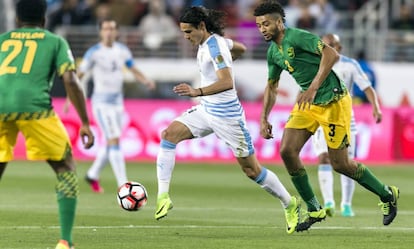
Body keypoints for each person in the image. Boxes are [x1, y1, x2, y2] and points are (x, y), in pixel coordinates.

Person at [253, 0, 399, 232]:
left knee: (340, 164)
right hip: (308, 105)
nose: (262, 29)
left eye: (266, 24)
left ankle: (386, 194)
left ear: (280, 22)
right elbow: (271, 86)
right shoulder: (273, 52)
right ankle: (314, 208)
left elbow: (330, 55)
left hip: (334, 101)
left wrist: (312, 86)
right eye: (259, 25)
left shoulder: (297, 37)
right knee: (287, 151)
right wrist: (263, 118)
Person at [154, 6, 300, 234]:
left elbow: (226, 82)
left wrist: (196, 91)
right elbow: (239, 47)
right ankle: (163, 196)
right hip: (207, 111)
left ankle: (289, 203)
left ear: (202, 26)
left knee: (252, 171)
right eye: (183, 32)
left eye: (189, 32)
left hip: (228, 117)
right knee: (169, 135)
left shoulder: (214, 47)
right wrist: (229, 60)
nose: (186, 37)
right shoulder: (214, 42)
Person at [0, 0, 95, 248]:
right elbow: (71, 81)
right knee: (65, 167)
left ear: (17, 20)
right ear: (44, 19)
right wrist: (84, 121)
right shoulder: (54, 41)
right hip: (35, 109)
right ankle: (66, 242)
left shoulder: (2, 40)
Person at [64, 19, 155, 193]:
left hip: (118, 103)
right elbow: (79, 74)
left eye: (112, 29)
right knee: (113, 139)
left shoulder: (122, 51)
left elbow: (132, 68)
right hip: (101, 103)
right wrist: (70, 96)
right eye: (106, 29)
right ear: (100, 32)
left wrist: (145, 80)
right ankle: (124, 185)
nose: (109, 32)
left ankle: (92, 174)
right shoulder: (94, 53)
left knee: (112, 141)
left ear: (117, 32)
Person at [313, 33, 382, 218]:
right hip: (321, 116)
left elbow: (367, 87)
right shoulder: (314, 64)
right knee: (324, 157)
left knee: (346, 163)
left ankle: (346, 204)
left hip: (344, 118)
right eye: (324, 45)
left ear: (339, 47)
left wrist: (376, 107)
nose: (327, 48)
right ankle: (328, 202)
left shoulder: (350, 65)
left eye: (331, 45)